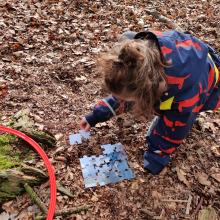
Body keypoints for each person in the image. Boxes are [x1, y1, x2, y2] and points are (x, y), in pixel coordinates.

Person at [80, 30, 220, 174]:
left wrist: (155, 159)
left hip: (208, 81)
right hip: (185, 59)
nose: (122, 100)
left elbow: (174, 131)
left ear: (146, 92)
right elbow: (124, 91)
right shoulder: (137, 65)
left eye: (128, 99)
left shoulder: (185, 100)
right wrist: (95, 116)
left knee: (171, 118)